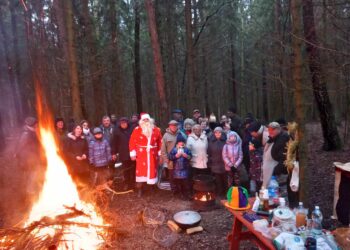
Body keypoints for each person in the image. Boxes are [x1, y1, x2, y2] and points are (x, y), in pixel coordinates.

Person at [129, 113, 162, 197]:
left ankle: (152, 186)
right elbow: (132, 142)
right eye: (144, 119)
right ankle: (140, 188)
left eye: (147, 119)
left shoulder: (156, 130)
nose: (146, 121)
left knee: (152, 169)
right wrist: (133, 153)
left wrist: (160, 153)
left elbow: (160, 142)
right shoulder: (137, 129)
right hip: (141, 153)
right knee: (141, 170)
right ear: (141, 121)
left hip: (152, 153)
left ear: (150, 120)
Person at [15, 117, 45, 196]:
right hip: (28, 159)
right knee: (32, 173)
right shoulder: (26, 134)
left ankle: (33, 188)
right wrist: (18, 155)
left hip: (33, 157)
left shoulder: (32, 132)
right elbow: (21, 146)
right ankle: (29, 190)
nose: (37, 126)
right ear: (32, 125)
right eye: (36, 124)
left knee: (34, 173)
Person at [262, 122, 289, 198]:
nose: (270, 132)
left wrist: (274, 172)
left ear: (278, 129)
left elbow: (284, 159)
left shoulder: (283, 138)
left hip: (280, 173)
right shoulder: (274, 138)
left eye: (272, 130)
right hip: (272, 172)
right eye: (269, 130)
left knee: (280, 197)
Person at [111, 117, 135, 190]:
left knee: (133, 169)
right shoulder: (117, 131)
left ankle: (133, 183)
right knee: (125, 170)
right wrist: (114, 153)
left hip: (132, 153)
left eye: (125, 123)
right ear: (120, 124)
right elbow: (114, 142)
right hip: (123, 153)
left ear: (127, 123)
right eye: (122, 123)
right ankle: (126, 183)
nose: (123, 124)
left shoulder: (132, 129)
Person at [63, 124, 89, 188]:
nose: (79, 130)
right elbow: (66, 152)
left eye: (80, 129)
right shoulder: (69, 140)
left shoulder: (83, 139)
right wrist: (75, 157)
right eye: (77, 128)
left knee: (84, 183)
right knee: (75, 184)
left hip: (83, 165)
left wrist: (85, 154)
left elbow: (86, 149)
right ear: (74, 130)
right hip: (73, 166)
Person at [161, 120, 182, 194]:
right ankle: (174, 190)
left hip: (180, 158)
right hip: (171, 159)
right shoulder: (165, 136)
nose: (174, 127)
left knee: (179, 174)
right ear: (169, 126)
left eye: (175, 125)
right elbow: (163, 149)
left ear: (177, 126)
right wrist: (166, 159)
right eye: (172, 125)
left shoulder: (180, 134)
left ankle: (180, 189)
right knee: (172, 175)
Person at [168, 136, 192, 200]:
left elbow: (190, 157)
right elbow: (170, 157)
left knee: (186, 183)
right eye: (179, 142)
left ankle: (187, 194)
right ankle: (180, 194)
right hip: (176, 170)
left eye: (182, 142)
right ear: (177, 143)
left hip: (185, 169)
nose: (181, 143)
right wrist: (175, 156)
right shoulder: (174, 149)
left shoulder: (186, 149)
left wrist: (187, 156)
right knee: (178, 183)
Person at [207, 127, 227, 197]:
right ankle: (219, 193)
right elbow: (208, 153)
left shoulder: (226, 141)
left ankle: (226, 193)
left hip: (224, 164)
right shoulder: (211, 142)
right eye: (216, 132)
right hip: (215, 164)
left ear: (222, 133)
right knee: (218, 181)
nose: (218, 134)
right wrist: (210, 162)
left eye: (219, 132)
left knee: (225, 180)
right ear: (214, 133)